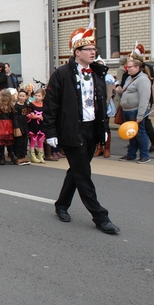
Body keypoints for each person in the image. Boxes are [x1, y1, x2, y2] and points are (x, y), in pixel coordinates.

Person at [44, 23, 120, 234]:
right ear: (77, 52)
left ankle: (61, 205)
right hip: (71, 131)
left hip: (91, 129)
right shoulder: (61, 74)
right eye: (88, 49)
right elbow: (50, 106)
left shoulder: (96, 73)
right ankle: (100, 216)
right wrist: (50, 132)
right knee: (84, 174)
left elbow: (101, 103)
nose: (93, 51)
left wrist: (104, 128)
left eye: (94, 49)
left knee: (77, 171)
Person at [117, 56, 152, 164]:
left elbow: (144, 98)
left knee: (140, 133)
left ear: (137, 67)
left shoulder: (143, 80)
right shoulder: (129, 78)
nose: (127, 69)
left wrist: (140, 115)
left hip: (136, 110)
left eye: (130, 67)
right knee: (131, 134)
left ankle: (144, 155)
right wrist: (120, 90)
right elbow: (126, 92)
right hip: (127, 110)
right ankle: (131, 154)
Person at [28, 88, 47, 163]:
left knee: (40, 140)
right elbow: (29, 115)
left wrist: (43, 118)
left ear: (43, 97)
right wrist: (36, 116)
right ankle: (32, 155)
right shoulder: (31, 104)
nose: (37, 97)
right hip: (33, 124)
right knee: (33, 139)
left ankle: (40, 155)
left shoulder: (44, 105)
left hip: (41, 124)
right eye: (36, 95)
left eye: (39, 96)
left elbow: (46, 114)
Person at [12, 90, 31, 165]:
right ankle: (18, 157)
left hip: (25, 125)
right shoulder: (16, 106)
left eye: (23, 96)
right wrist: (17, 127)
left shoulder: (26, 105)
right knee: (18, 142)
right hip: (19, 126)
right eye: (20, 96)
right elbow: (15, 117)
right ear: (17, 96)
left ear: (26, 97)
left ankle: (23, 156)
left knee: (24, 141)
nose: (21, 98)